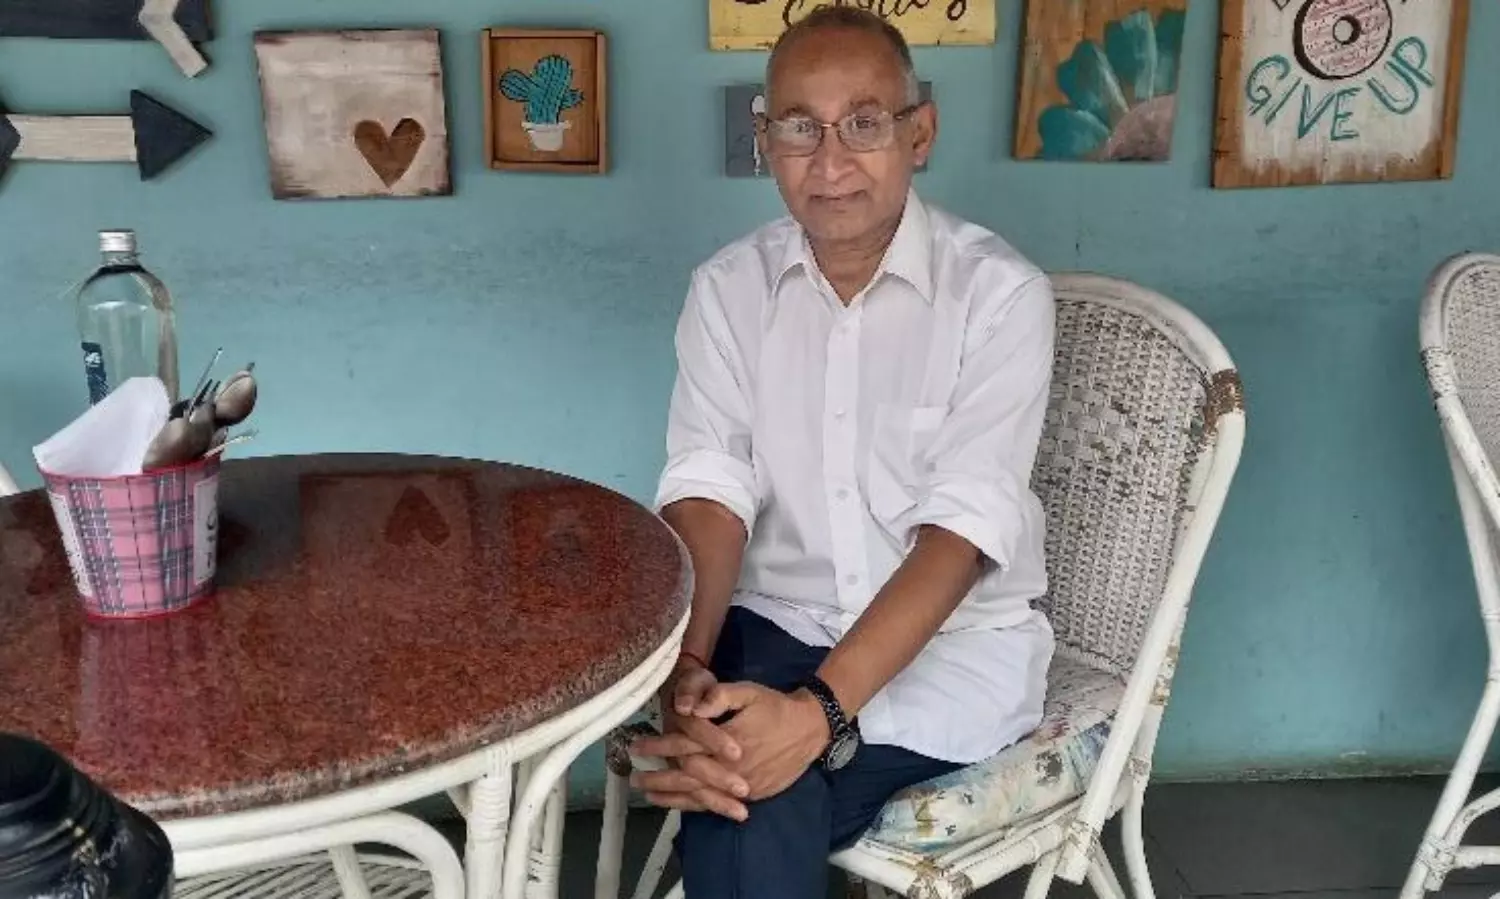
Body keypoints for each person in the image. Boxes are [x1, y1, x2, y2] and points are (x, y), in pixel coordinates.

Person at [633, 7, 1057, 896]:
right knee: (738, 754)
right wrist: (690, 669)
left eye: (864, 123)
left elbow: (962, 532)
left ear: (919, 133)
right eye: (799, 127)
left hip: (950, 651)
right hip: (774, 625)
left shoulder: (1000, 297)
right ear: (764, 140)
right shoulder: (728, 290)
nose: (829, 162)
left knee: (742, 787)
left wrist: (817, 713)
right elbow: (709, 490)